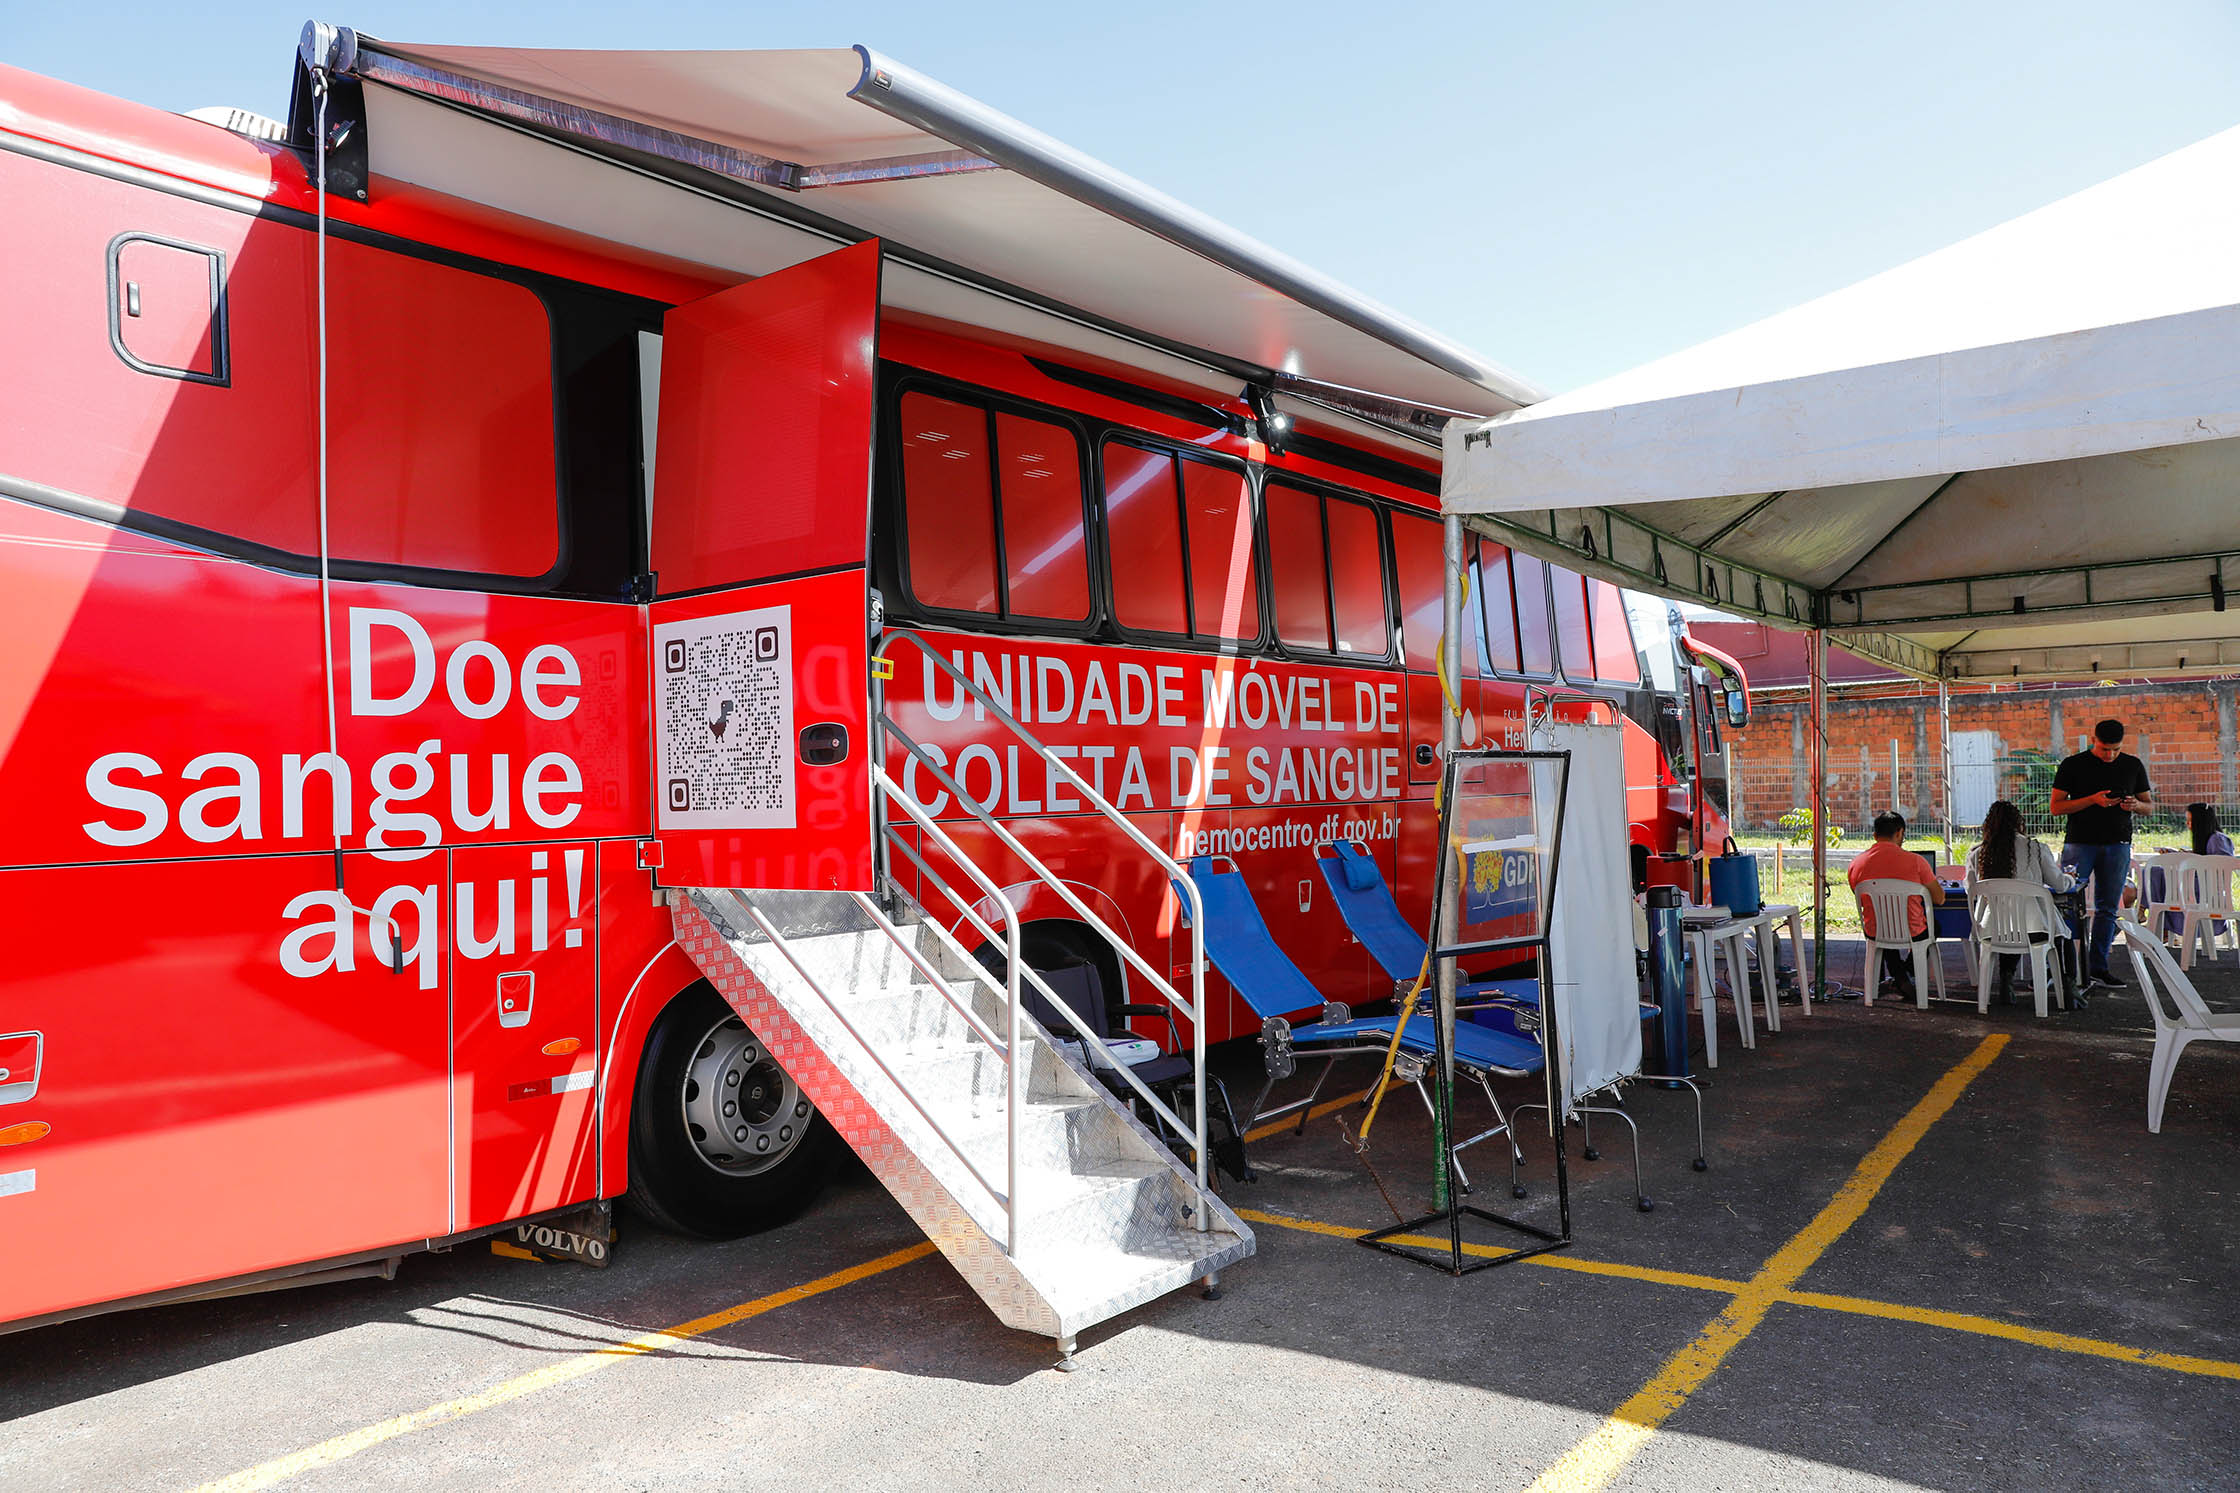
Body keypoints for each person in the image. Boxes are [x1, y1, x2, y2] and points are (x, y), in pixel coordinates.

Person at [2051, 719, 2153, 989]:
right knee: (2066, 905)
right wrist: (2092, 800)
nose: (2110, 755)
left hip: (2118, 843)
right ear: (2093, 740)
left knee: (2108, 907)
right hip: (2079, 843)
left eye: (2115, 750)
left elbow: (2149, 806)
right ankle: (2062, 968)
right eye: (2104, 749)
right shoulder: (2073, 764)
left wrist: (2134, 805)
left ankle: (2098, 966)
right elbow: (2056, 807)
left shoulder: (2132, 765)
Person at [1964, 799, 2075, 1006]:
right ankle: (2069, 989)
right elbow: (2059, 885)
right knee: (2064, 935)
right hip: (2036, 929)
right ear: (2019, 823)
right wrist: (2072, 878)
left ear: (1988, 825)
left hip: (1992, 929)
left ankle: (2006, 979)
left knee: (2010, 929)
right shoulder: (2035, 848)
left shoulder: (1978, 854)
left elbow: (1971, 890)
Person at [1848, 810, 1943, 999]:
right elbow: (1939, 899)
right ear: (1900, 833)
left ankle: (1900, 976)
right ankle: (1905, 973)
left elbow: (1859, 895)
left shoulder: (1856, 864)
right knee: (1936, 927)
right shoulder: (1917, 862)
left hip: (1875, 930)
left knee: (1885, 933)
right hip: (1913, 931)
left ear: (1875, 835)